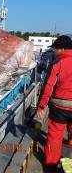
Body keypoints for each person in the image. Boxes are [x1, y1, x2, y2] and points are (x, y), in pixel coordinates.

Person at [37, 35, 72, 168]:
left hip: (59, 108)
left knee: (55, 137)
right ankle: (69, 162)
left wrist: (41, 106)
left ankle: (51, 164)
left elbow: (48, 87)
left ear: (62, 49)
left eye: (55, 49)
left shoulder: (57, 64)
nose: (54, 52)